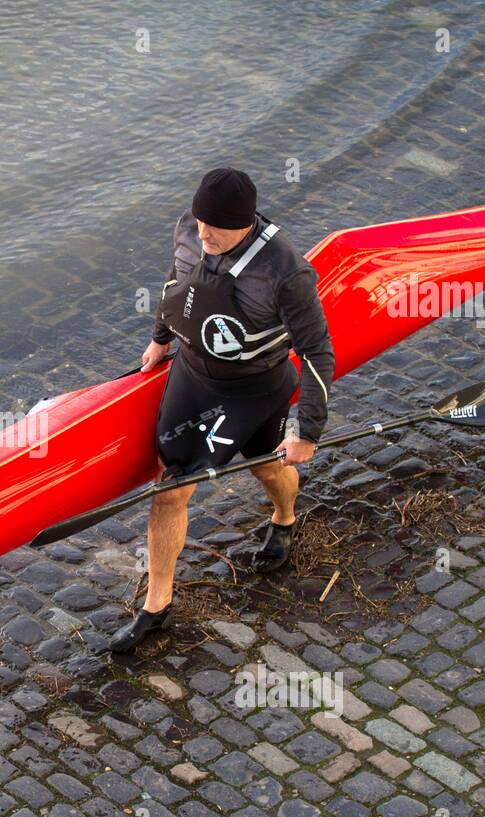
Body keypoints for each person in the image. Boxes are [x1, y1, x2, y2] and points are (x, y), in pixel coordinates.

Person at [110, 168, 334, 653]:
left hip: (254, 389)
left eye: (216, 227)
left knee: (270, 468)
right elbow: (178, 283)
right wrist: (159, 340)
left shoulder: (286, 272)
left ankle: (284, 518)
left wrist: (308, 432)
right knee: (170, 488)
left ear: (247, 223)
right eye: (200, 220)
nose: (204, 233)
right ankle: (157, 605)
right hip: (193, 376)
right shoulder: (191, 230)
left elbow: (318, 352)